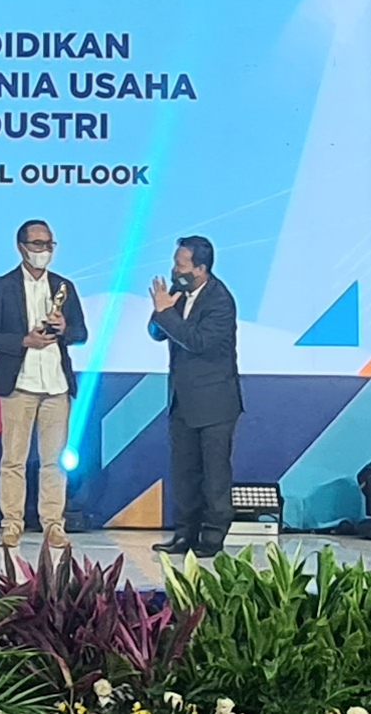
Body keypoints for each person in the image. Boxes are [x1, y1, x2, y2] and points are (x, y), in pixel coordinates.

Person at [0, 219, 87, 549]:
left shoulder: (64, 286)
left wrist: (64, 328)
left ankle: (53, 524)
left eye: (49, 244)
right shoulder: (2, 286)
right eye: (37, 244)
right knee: (14, 460)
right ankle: (12, 523)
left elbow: (81, 333)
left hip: (56, 385)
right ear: (21, 247)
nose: (44, 250)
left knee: (54, 461)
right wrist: (24, 340)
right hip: (19, 384)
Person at [147, 235, 242, 558]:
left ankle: (212, 538)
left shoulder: (220, 300)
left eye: (181, 265)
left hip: (215, 403)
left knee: (214, 477)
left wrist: (166, 314)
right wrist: (161, 310)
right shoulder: (179, 294)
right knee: (184, 475)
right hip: (182, 401)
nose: (175, 270)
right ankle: (184, 535)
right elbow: (157, 332)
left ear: (201, 268)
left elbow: (198, 341)